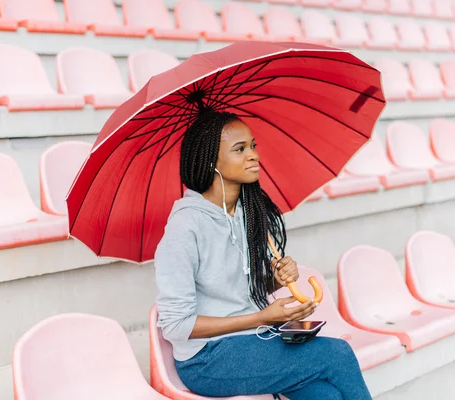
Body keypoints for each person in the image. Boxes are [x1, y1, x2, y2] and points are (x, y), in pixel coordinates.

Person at [155, 110, 372, 400]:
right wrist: (263, 317)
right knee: (337, 354)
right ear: (211, 162)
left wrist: (277, 279)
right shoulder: (185, 227)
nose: (253, 155)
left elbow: (237, 290)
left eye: (253, 146)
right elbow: (176, 325)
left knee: (325, 395)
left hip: (253, 341)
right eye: (240, 149)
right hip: (207, 359)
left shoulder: (246, 214)